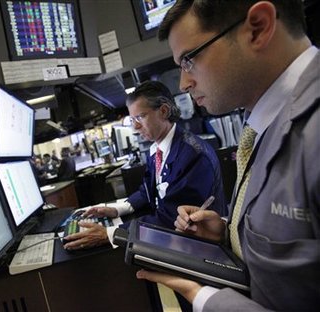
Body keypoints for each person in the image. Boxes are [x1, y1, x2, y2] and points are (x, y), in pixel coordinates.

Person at [136, 1, 320, 311]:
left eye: (189, 60)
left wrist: (205, 298)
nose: (183, 83)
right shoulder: (262, 124)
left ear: (258, 28)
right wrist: (229, 233)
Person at [63, 81, 226, 251]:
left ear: (163, 111)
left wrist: (111, 233)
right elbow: (148, 190)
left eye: (140, 117)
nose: (134, 127)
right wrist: (118, 209)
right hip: (171, 236)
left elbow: (172, 218)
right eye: (132, 119)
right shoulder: (157, 148)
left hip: (196, 246)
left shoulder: (192, 155)